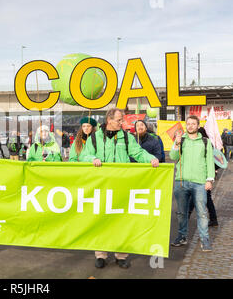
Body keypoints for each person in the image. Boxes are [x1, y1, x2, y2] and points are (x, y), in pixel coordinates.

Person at [81, 108, 159, 269]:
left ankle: (121, 255)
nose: (122, 122)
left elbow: (138, 153)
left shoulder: (126, 136)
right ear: (109, 120)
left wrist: (151, 159)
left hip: (122, 185)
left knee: (122, 221)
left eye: (122, 120)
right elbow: (84, 156)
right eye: (119, 120)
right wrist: (93, 158)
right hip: (101, 185)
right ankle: (100, 254)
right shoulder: (94, 137)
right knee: (101, 221)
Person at [170, 115, 215, 252]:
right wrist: (176, 144)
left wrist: (209, 179)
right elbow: (173, 157)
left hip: (200, 183)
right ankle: (182, 236)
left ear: (198, 125)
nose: (190, 126)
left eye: (193, 124)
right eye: (188, 124)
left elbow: (209, 162)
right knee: (182, 213)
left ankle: (204, 239)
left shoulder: (205, 142)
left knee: (201, 213)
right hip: (182, 182)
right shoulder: (181, 140)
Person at [187, 127, 219, 227]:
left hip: (203, 175)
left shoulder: (204, 143)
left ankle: (213, 219)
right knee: (196, 195)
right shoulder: (208, 142)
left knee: (206, 198)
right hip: (203, 174)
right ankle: (187, 214)